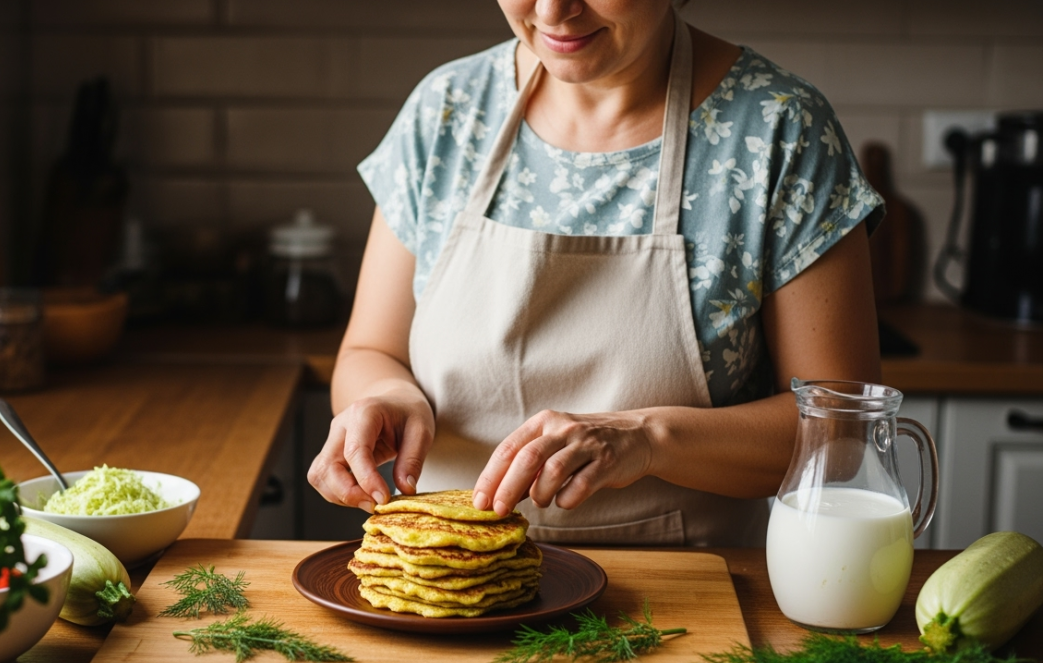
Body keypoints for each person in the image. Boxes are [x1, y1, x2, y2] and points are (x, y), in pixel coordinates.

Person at [307, 0, 884, 546]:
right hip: (443, 588)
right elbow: (368, 349)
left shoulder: (778, 129)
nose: (554, 11)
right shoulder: (447, 111)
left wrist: (649, 439)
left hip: (689, 601)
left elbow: (838, 433)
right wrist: (386, 395)